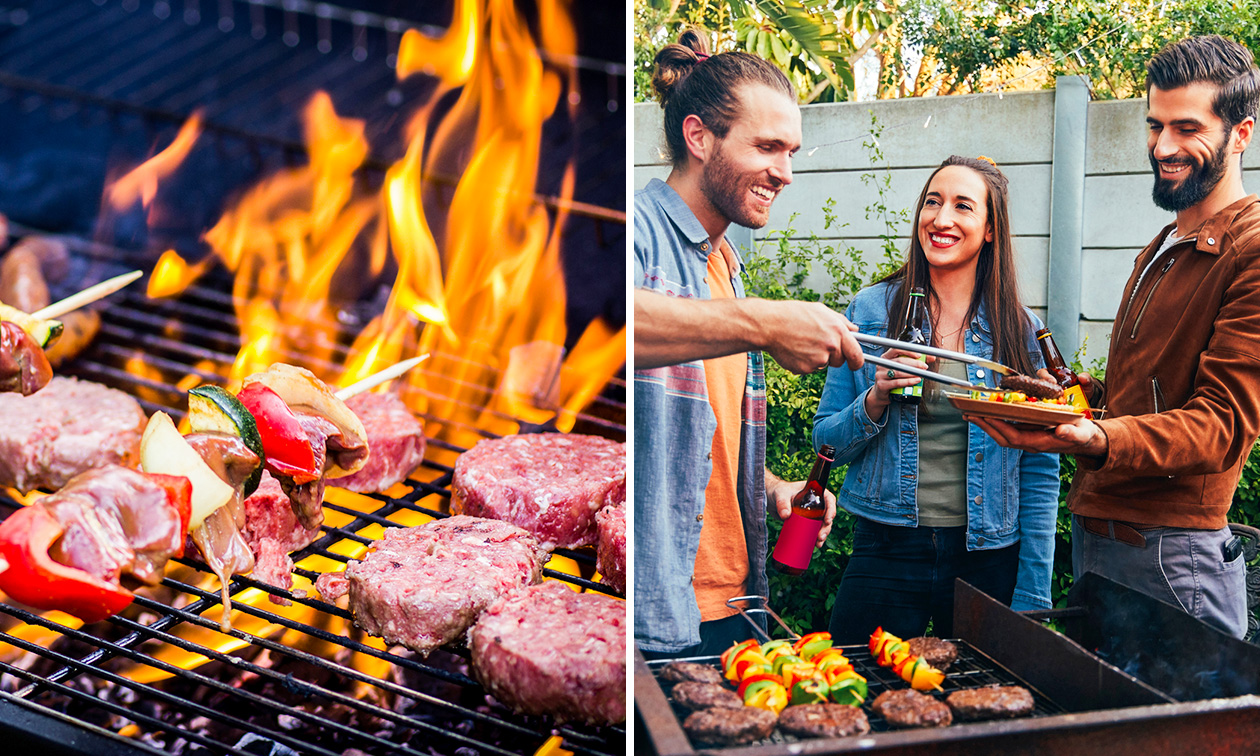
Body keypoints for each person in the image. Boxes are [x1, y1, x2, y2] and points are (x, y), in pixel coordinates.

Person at [971, 35, 1259, 639]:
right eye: (1155, 125)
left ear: (1241, 133)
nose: (1163, 146)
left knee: (1180, 736)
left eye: (1187, 128)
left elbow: (1221, 425)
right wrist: (1079, 399)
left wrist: (1097, 435)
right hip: (1101, 540)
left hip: (1173, 557)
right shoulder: (1162, 247)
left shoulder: (1252, 249)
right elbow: (1146, 402)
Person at [633, 29, 865, 659]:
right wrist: (764, 322)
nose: (785, 173)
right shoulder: (638, 232)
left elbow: (695, 437)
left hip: (734, 602)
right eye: (767, 147)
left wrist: (771, 487)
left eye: (790, 152)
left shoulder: (725, 262)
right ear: (699, 137)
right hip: (656, 607)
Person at [813, 156, 1060, 644]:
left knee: (983, 705)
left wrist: (1033, 591)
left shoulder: (1021, 330)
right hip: (885, 549)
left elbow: (1040, 469)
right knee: (853, 701)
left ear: (991, 229)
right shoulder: (869, 311)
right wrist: (876, 399)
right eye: (933, 201)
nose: (941, 219)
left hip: (988, 556)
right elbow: (827, 443)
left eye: (963, 206)